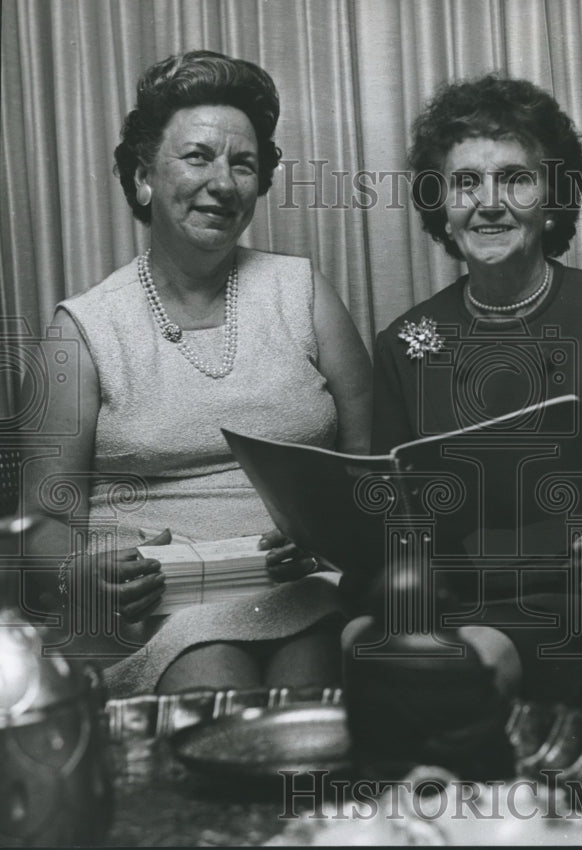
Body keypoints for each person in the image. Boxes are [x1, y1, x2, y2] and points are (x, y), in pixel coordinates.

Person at [23, 51, 372, 696]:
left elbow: (371, 473)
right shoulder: (83, 327)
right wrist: (83, 570)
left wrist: (325, 538)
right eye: (198, 157)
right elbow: (39, 522)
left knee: (311, 697)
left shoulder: (303, 292)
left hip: (298, 588)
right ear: (143, 178)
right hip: (154, 604)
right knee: (215, 687)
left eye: (243, 163)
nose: (224, 182)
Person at [349, 75, 582, 715]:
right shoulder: (405, 341)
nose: (489, 202)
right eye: (466, 182)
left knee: (457, 664)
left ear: (552, 198)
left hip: (577, 598)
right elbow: (393, 520)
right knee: (364, 642)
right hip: (445, 594)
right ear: (441, 207)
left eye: (515, 178)